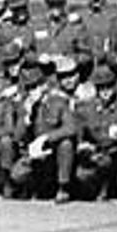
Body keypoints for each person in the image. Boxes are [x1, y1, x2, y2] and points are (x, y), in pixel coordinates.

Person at [10, 54, 81, 203]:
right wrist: (26, 118)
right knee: (17, 175)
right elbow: (16, 137)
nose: (32, 92)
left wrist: (46, 138)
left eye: (36, 86)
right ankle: (36, 188)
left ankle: (63, 187)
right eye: (29, 88)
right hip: (35, 155)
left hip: (54, 152)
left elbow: (71, 127)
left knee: (66, 144)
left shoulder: (57, 101)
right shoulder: (25, 105)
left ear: (43, 86)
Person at [72, 64, 117, 203]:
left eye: (108, 86)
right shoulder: (86, 108)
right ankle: (101, 189)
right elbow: (78, 132)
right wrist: (83, 146)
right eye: (101, 87)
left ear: (114, 86)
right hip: (98, 154)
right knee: (82, 176)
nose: (105, 91)